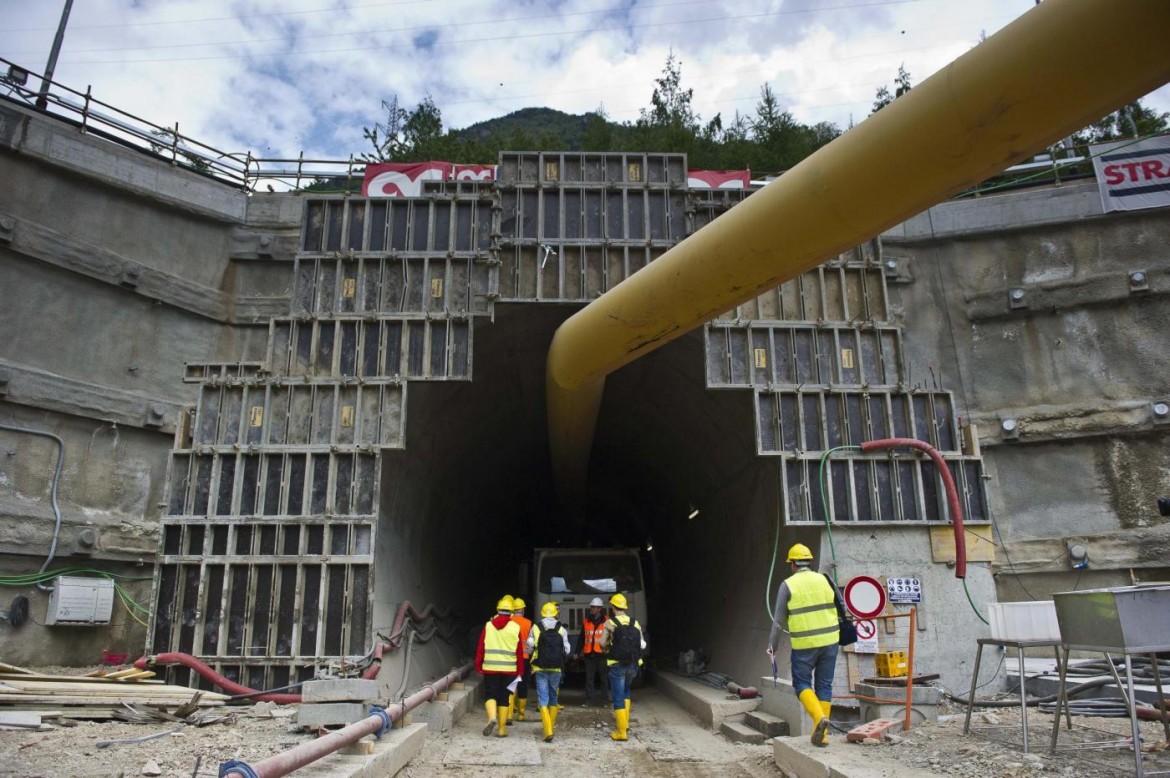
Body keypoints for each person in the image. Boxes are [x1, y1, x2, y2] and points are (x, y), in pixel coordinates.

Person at [766, 543, 840, 747]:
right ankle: (823, 736)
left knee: (802, 684)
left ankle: (819, 719)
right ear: (810, 561)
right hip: (830, 641)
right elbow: (839, 604)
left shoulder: (788, 585)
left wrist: (772, 646)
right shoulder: (825, 579)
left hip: (805, 644)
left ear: (792, 565)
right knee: (824, 685)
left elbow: (779, 620)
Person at [475, 595, 523, 737]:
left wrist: (478, 665)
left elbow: (480, 648)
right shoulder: (516, 627)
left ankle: (491, 718)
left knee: (490, 694)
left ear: (497, 610)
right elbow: (519, 652)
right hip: (509, 669)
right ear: (511, 612)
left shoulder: (488, 626)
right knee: (504, 697)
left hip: (490, 668)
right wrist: (520, 670)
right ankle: (502, 730)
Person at [602, 592, 645, 742]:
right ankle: (625, 725)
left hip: (617, 664)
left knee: (618, 696)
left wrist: (608, 648)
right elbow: (642, 643)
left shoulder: (609, 623)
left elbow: (602, 643)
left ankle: (621, 732)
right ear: (624, 607)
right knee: (626, 691)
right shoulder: (635, 623)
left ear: (613, 607)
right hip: (632, 664)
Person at [527, 601, 570, 742]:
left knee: (543, 698)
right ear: (555, 613)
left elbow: (530, 646)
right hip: (556, 668)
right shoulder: (561, 629)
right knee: (553, 698)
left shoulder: (536, 627)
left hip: (540, 667)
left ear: (543, 613)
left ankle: (547, 730)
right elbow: (567, 649)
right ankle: (550, 727)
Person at [574, 596, 610, 706]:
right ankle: (589, 700)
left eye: (594, 607)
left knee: (604, 678)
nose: (592, 609)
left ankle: (605, 701)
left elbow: (612, 637)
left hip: (602, 654)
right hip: (589, 654)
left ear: (600, 608)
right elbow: (582, 637)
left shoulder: (607, 621)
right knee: (589, 679)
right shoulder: (586, 621)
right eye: (592, 607)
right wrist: (576, 651)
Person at [508, 597, 534, 722]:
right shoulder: (528, 623)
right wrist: (530, 656)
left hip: (511, 658)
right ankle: (521, 714)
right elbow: (530, 643)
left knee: (511, 685)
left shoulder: (508, 621)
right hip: (524, 659)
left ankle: (508, 714)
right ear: (523, 610)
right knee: (523, 685)